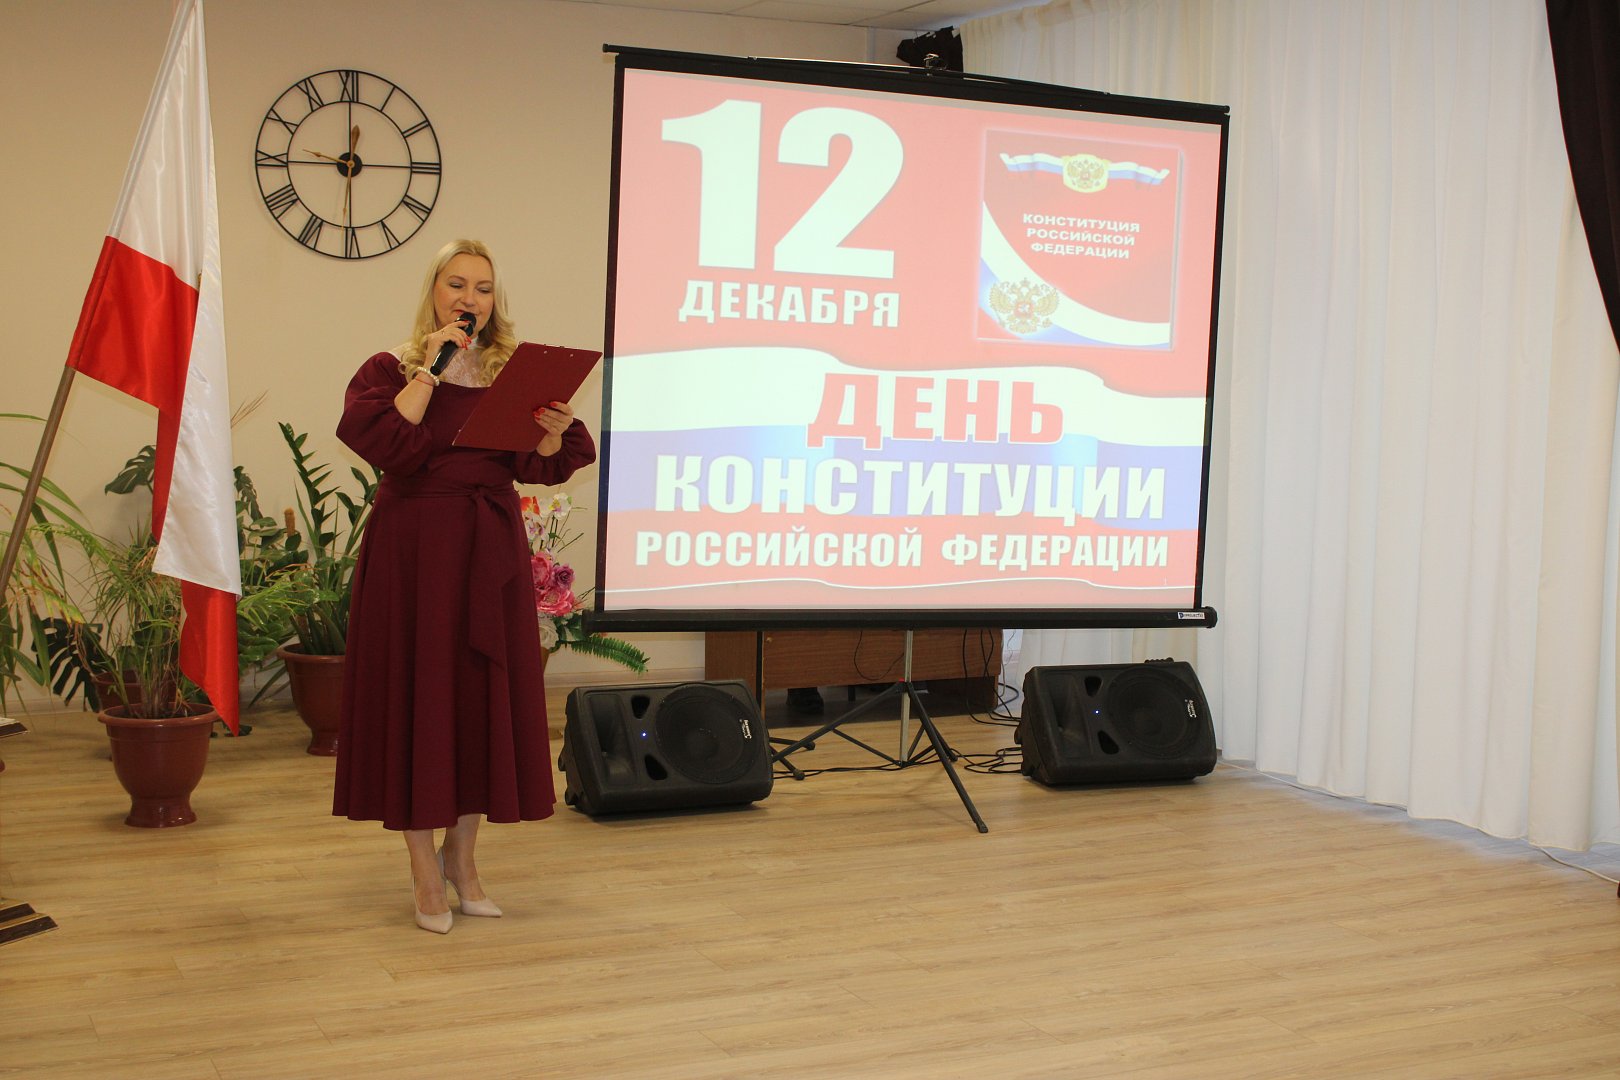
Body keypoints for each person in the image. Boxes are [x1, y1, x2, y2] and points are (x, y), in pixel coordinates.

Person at [332, 238, 596, 934]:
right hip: (413, 554)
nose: (469, 299)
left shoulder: (513, 372)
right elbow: (387, 444)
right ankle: (423, 868)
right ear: (434, 291)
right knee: (415, 700)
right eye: (456, 284)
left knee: (479, 700)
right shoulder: (390, 368)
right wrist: (432, 369)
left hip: (489, 550)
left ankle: (464, 859)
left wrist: (551, 435)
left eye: (482, 287)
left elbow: (538, 464)